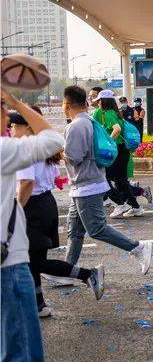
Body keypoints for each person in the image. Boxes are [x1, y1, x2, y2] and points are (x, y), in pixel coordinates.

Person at [1, 89, 65, 362]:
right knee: (20, 356)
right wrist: (17, 104)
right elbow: (53, 140)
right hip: (7, 267)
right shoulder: (3, 150)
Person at [9, 109, 105, 317]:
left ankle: (88, 274)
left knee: (34, 261)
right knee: (33, 258)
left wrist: (16, 208)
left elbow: (26, 182)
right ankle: (39, 304)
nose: (12, 129)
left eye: (15, 125)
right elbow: (51, 176)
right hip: (46, 204)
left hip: (32, 207)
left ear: (27, 126)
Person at [60, 85, 153, 273]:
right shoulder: (89, 121)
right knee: (75, 231)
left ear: (67, 103)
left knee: (96, 229)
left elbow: (74, 158)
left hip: (86, 184)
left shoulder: (76, 126)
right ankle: (68, 271)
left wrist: (56, 152)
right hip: (86, 183)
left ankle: (138, 247)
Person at [95, 90, 143, 217]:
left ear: (103, 101)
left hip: (117, 150)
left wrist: (109, 142)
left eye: (99, 100)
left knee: (104, 178)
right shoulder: (115, 112)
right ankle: (135, 207)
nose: (98, 103)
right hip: (122, 150)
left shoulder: (108, 114)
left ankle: (120, 204)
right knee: (120, 180)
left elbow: (117, 129)